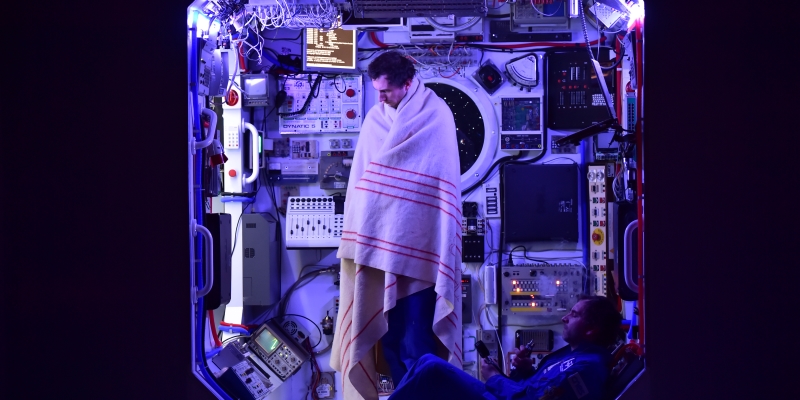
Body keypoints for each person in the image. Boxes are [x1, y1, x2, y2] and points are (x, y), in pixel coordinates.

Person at [330, 51, 463, 400]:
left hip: (421, 252)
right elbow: (364, 184)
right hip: (377, 249)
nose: (380, 97)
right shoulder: (375, 118)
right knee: (387, 340)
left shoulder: (436, 114)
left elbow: (435, 181)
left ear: (407, 83)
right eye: (376, 90)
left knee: (416, 344)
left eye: (386, 90)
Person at [387, 295, 623, 400]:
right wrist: (525, 371)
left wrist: (494, 378)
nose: (565, 318)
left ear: (591, 329)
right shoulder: (574, 355)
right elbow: (538, 388)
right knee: (426, 363)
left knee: (431, 369)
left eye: (574, 315)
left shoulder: (586, 369)